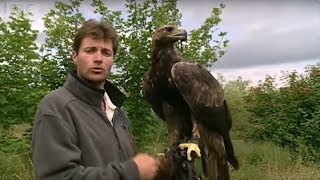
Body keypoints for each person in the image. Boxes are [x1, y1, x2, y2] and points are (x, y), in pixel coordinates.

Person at [31, 19, 159, 180]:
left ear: (113, 60)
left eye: (106, 53)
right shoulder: (56, 107)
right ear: (75, 57)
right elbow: (58, 176)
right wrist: (132, 171)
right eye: (90, 50)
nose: (98, 58)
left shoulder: (117, 111)